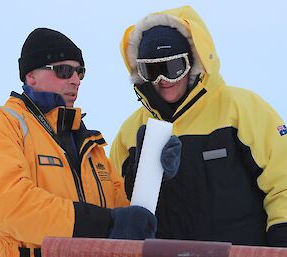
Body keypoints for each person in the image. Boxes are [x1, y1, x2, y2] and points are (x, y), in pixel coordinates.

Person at [110, 5, 287, 247]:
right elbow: (115, 202)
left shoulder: (241, 109)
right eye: (152, 70)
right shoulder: (131, 132)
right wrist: (137, 176)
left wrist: (282, 237)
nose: (163, 81)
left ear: (192, 63)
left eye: (173, 68)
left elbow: (282, 178)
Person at [0, 28, 158, 257]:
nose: (75, 80)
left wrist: (150, 174)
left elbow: (127, 218)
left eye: (80, 72)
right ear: (30, 76)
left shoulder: (90, 144)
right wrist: (104, 225)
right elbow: (9, 205)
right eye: (64, 71)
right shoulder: (1, 124)